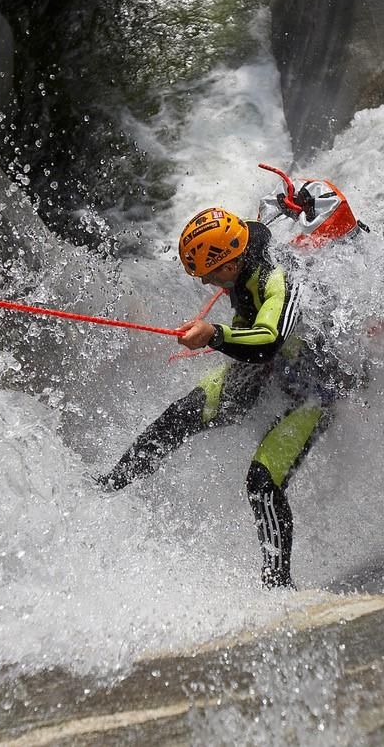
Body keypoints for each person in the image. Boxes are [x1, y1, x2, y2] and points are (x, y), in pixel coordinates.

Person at [97, 205, 356, 588]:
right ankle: (106, 488)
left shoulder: (275, 279)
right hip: (263, 369)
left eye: (208, 275)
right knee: (178, 417)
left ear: (230, 265)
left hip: (313, 387)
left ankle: (278, 587)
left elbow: (269, 339)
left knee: (262, 482)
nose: (205, 284)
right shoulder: (245, 244)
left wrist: (213, 335)